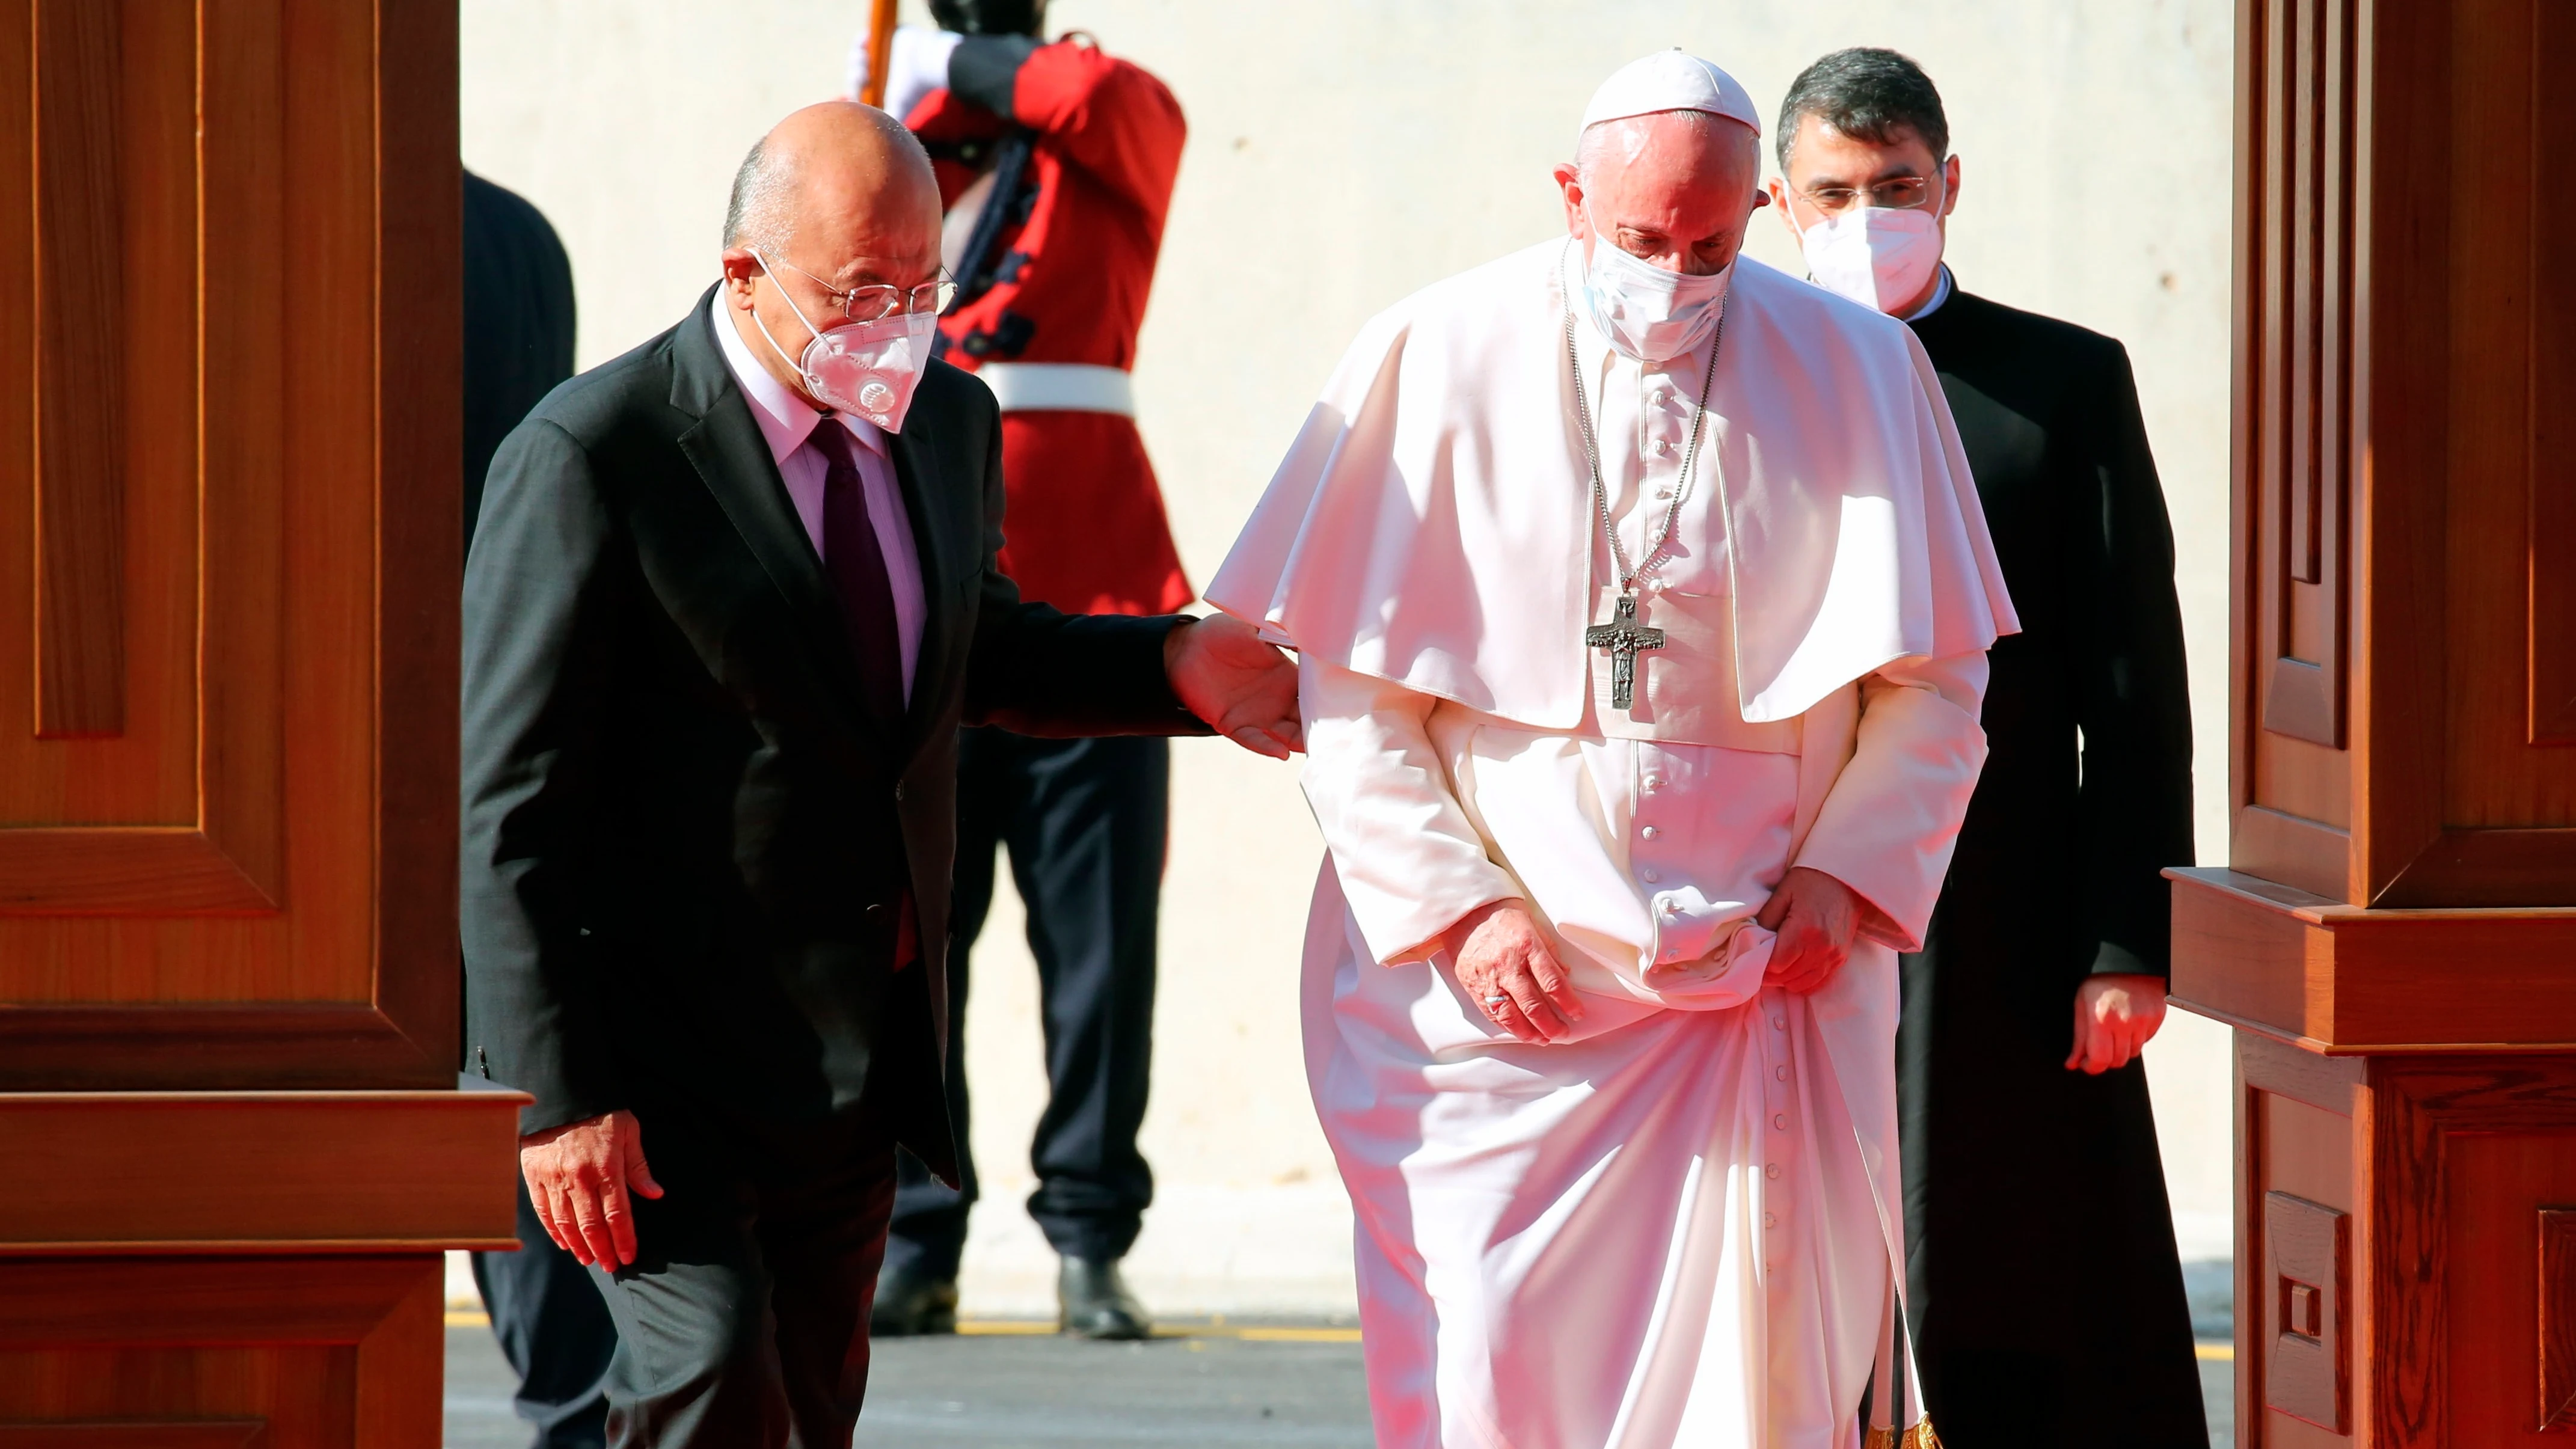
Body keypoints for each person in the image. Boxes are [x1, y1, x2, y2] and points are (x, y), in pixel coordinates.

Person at [459, 102, 1298, 1449]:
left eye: (925, 286)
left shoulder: (946, 422)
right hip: (657, 1060)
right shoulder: (593, 458)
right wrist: (551, 1094)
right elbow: (508, 803)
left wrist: (1173, 666)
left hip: (855, 1057)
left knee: (807, 1401)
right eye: (862, 291)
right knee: (712, 1381)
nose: (900, 325)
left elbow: (978, 647)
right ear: (745, 272)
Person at [1209, 49, 2015, 1448]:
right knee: (1489, 1361)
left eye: (1710, 243)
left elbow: (1939, 686)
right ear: (1572, 194)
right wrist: (1462, 910)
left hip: (1769, 969)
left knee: (1761, 1386)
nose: (1674, 271)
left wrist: (1846, 875)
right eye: (1641, 239)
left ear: (1757, 214)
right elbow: (1355, 703)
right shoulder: (1435, 350)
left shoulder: (1865, 367)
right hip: (1503, 1002)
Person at [1768, 47, 2206, 1446]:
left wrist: (2127, 939)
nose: (1864, 217)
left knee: (2013, 1263)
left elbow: (2131, 677)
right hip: (1780, 888)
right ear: (1780, 202)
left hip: (2006, 905)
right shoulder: (1736, 374)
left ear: (1949, 186)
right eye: (1831, 192)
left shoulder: (2064, 381)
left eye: (1894, 187)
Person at [846, 0, 1192, 1341]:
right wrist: (905, 105)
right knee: (920, 949)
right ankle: (918, 1236)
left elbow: (1111, 105)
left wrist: (964, 67)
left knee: (1102, 951)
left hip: (1094, 598)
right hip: (927, 606)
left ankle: (1090, 1235)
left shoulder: (1104, 130)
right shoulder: (904, 158)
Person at [459, 169, 616, 1449]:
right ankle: (572, 1406)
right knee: (504, 1066)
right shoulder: (519, 232)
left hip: (334, 737)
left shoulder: (287, 224)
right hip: (503, 697)